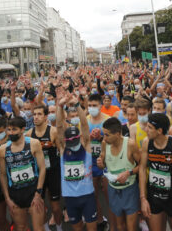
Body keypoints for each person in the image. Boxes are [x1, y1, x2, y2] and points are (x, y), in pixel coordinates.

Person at [55, 91, 97, 231]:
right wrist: (60, 107)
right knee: (77, 228)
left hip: (87, 195)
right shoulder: (63, 149)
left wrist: (77, 104)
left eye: (75, 139)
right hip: (70, 197)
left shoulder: (86, 146)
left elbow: (84, 125)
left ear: (79, 138)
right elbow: (59, 126)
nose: (73, 142)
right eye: (70, 140)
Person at [139, 113, 172, 231]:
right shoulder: (147, 142)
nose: (146, 130)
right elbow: (142, 168)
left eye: (149, 127)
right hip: (154, 196)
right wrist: (143, 199)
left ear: (159, 130)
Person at [0, 116, 46, 231]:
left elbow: (42, 168)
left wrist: (38, 192)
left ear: (22, 129)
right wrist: (7, 198)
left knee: (38, 228)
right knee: (21, 227)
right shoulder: (3, 149)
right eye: (8, 130)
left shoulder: (34, 143)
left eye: (14, 129)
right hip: (15, 193)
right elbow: (3, 175)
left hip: (33, 190)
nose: (10, 132)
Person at [97, 117, 140, 231]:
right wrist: (101, 164)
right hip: (113, 189)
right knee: (120, 226)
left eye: (107, 135)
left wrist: (129, 172)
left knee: (131, 228)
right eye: (104, 134)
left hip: (129, 189)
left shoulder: (130, 144)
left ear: (117, 134)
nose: (104, 138)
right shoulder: (104, 144)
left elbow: (142, 165)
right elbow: (103, 164)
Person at [27, 104, 63, 231]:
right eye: (34, 114)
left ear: (46, 116)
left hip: (53, 172)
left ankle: (59, 227)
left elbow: (61, 151)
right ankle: (46, 228)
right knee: (39, 207)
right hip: (38, 175)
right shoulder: (29, 134)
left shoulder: (52, 131)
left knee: (55, 207)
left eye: (39, 114)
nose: (36, 117)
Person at [86, 94, 112, 230]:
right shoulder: (84, 121)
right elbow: (81, 143)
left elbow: (115, 141)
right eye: (89, 106)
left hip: (107, 163)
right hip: (91, 163)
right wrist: (89, 138)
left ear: (100, 106)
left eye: (94, 105)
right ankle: (100, 219)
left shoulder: (108, 120)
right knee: (94, 194)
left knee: (109, 195)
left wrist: (102, 136)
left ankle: (114, 223)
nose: (91, 108)